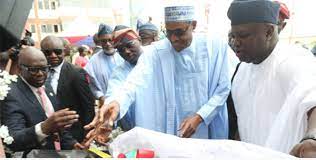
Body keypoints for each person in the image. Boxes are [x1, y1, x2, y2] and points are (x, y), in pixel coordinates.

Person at [88, 5, 231, 139]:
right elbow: (133, 82)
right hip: (174, 131)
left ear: (193, 25)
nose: (174, 39)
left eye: (179, 32)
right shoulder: (156, 52)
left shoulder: (215, 47)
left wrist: (200, 116)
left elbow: (223, 88)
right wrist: (117, 102)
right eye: (169, 33)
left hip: (208, 124)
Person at [228, 0, 316, 157]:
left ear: (268, 32)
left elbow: (313, 100)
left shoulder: (293, 60)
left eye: (243, 35)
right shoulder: (242, 70)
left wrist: (312, 138)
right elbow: (243, 123)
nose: (235, 42)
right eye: (233, 36)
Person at [1, 47, 84, 156]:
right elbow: (13, 139)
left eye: (44, 68)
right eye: (34, 69)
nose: (40, 73)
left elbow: (57, 127)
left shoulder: (46, 85)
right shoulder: (10, 94)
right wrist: (43, 128)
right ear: (20, 68)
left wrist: (72, 144)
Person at [41, 35, 95, 142]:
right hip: (47, 135)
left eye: (57, 52)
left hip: (74, 134)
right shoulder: (39, 72)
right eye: (47, 52)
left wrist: (87, 134)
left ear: (64, 51)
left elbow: (88, 106)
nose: (53, 55)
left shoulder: (76, 73)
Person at [84, 24, 124, 106]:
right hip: (106, 104)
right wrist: (100, 96)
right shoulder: (93, 62)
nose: (108, 44)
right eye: (104, 41)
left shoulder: (123, 55)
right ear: (99, 41)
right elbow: (91, 85)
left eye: (110, 40)